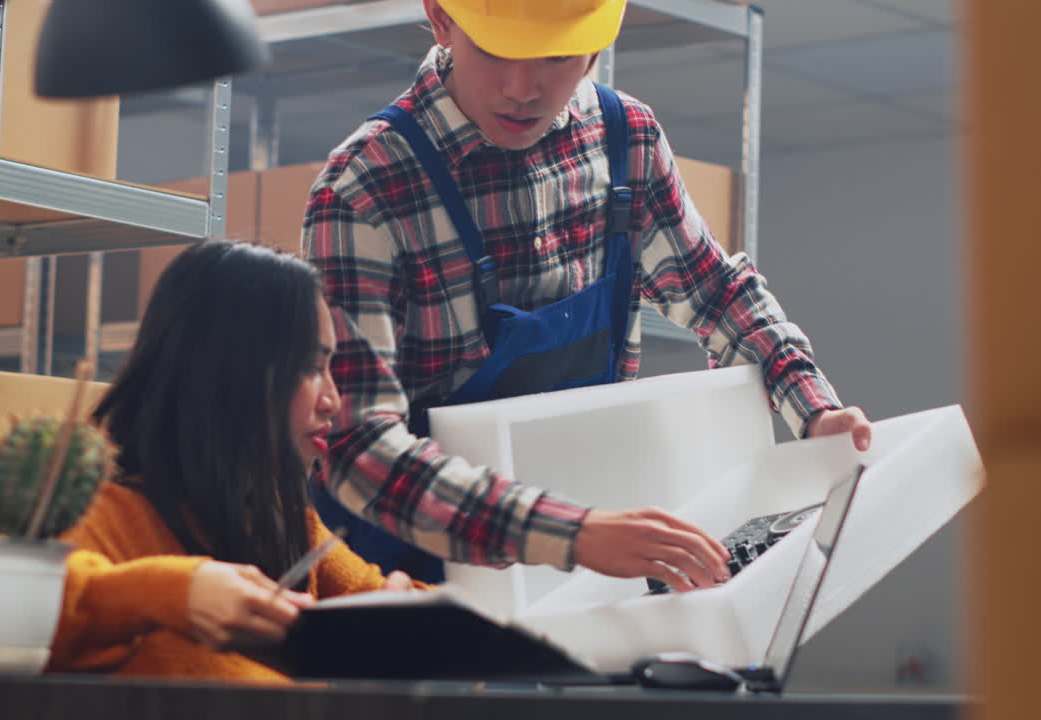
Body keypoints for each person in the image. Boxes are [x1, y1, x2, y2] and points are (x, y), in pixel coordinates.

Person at [302, 0, 874, 588]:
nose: (523, 87)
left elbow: (716, 292)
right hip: (408, 587)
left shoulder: (627, 140)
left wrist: (815, 410)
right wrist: (572, 535)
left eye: (556, 55)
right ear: (442, 18)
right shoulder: (365, 189)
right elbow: (357, 448)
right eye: (497, 51)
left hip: (583, 570)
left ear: (600, 40)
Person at [46, 241, 419, 684]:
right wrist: (182, 591)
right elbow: (44, 601)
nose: (333, 402)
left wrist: (407, 614)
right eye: (311, 367)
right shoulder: (102, 515)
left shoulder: (290, 526)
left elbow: (382, 594)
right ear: (231, 371)